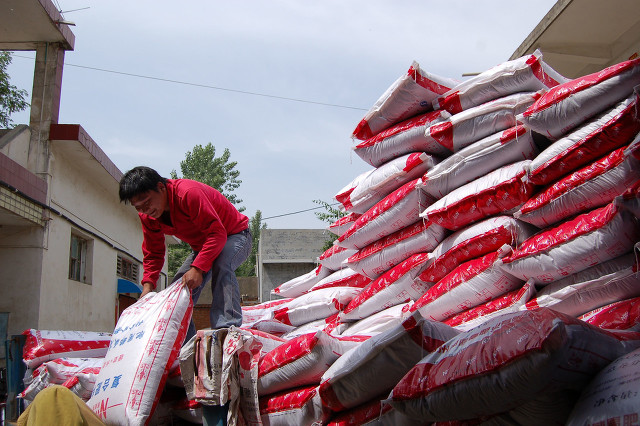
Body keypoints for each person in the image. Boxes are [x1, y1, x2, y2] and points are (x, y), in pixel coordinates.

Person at [119, 166, 251, 341]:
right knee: (177, 293)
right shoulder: (148, 217)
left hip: (234, 235)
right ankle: (186, 345)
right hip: (203, 246)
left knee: (222, 264)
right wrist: (148, 285)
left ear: (161, 187)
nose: (145, 210)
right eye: (139, 207)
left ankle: (226, 331)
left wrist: (198, 268)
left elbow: (217, 233)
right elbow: (154, 251)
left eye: (147, 201)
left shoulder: (189, 194)